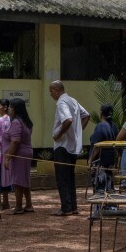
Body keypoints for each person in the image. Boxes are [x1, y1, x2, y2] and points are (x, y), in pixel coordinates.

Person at [49, 80, 90, 216]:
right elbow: (86, 115)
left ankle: (66, 207)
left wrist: (59, 134)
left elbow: (68, 120)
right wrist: (77, 132)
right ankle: (73, 206)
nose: (50, 94)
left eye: (51, 91)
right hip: (73, 146)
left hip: (63, 146)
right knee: (70, 177)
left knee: (62, 178)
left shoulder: (61, 102)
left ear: (57, 90)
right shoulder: (72, 100)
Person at [3, 98, 34, 214]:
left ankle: (18, 206)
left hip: (19, 154)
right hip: (27, 151)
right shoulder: (26, 121)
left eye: (10, 107)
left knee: (17, 180)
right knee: (25, 179)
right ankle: (29, 204)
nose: (9, 109)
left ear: (15, 109)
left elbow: (15, 141)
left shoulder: (16, 122)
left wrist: (7, 157)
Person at [88, 104, 120, 195]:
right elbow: (116, 146)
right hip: (109, 163)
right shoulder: (114, 126)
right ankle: (110, 208)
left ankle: (100, 209)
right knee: (109, 188)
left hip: (100, 164)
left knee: (100, 190)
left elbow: (97, 146)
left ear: (101, 114)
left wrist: (90, 161)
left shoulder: (100, 126)